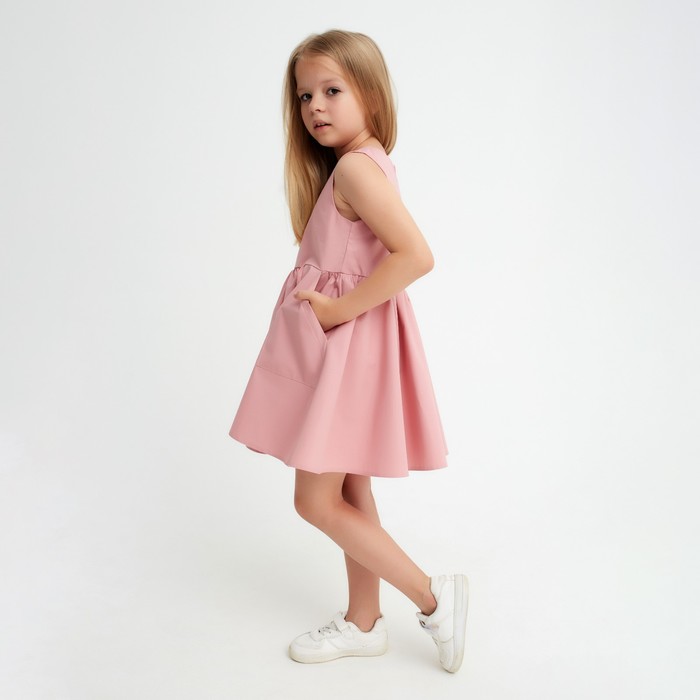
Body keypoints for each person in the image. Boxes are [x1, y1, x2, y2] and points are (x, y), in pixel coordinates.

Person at [228, 29, 468, 673]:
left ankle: (433, 597)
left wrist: (334, 310)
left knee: (313, 500)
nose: (315, 107)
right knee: (350, 486)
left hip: (346, 345)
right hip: (345, 349)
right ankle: (364, 621)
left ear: (371, 94)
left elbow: (415, 255)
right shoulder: (359, 164)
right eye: (305, 95)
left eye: (332, 90)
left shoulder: (358, 169)